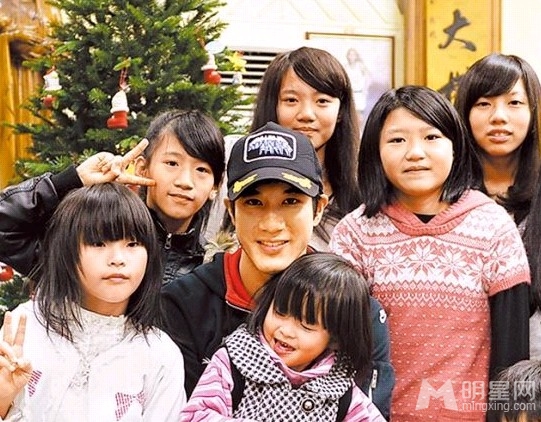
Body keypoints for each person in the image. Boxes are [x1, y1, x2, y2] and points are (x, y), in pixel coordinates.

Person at [162, 122, 394, 419]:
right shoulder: (183, 305)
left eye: (290, 201)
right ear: (231, 211)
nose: (271, 224)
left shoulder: (355, 312)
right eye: (254, 202)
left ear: (318, 208)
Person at [330, 85, 530, 421]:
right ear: (375, 150)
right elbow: (336, 350)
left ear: (455, 146)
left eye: (431, 137)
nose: (415, 153)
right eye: (397, 140)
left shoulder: (494, 228)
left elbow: (511, 358)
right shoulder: (355, 234)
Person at [0, 183, 185, 420]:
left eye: (132, 244)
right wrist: (4, 399)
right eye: (98, 243)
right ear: (67, 251)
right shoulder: (25, 327)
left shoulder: (160, 354)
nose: (118, 259)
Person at [0, 109, 225, 283]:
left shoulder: (212, 271)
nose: (185, 181)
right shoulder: (92, 242)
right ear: (142, 169)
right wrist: (72, 180)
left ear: (215, 186)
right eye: (172, 163)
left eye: (202, 170)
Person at [180, 253, 385, 421]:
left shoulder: (339, 387)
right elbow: (196, 415)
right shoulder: (235, 359)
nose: (286, 330)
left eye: (306, 325)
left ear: (335, 339)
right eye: (280, 312)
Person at [206, 46, 361, 252]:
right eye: (291, 100)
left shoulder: (361, 191)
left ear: (340, 111)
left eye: (322, 101)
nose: (306, 114)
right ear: (272, 104)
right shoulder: (230, 161)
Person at [454, 53, 541, 228]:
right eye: (483, 104)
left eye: (514, 102)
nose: (499, 117)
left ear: (534, 111)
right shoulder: (444, 188)